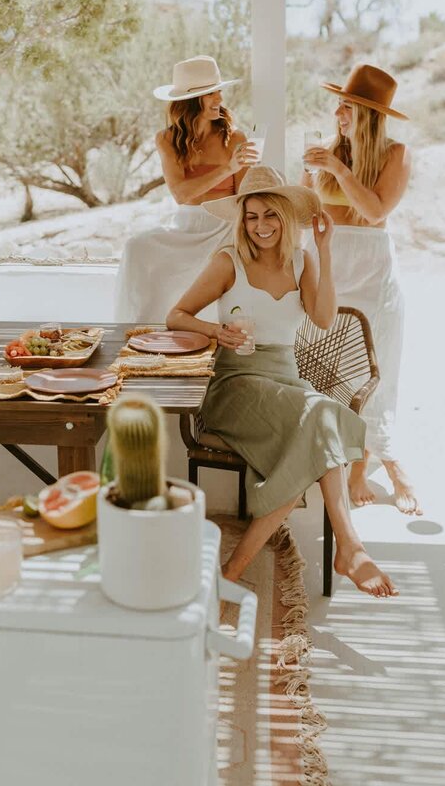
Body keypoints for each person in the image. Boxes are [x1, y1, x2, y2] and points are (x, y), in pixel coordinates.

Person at [166, 166, 398, 597]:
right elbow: (176, 316)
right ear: (242, 219)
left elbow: (325, 318)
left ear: (287, 216)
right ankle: (349, 546)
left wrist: (325, 252)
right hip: (235, 383)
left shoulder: (301, 261)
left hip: (287, 385)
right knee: (321, 421)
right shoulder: (228, 261)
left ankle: (235, 570)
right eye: (252, 217)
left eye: (270, 216)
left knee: (317, 430)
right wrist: (219, 333)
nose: (261, 226)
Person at [302, 63, 421, 516]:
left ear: (368, 114)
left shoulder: (396, 154)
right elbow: (301, 205)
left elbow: (374, 211)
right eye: (338, 105)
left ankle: (384, 462)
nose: (337, 113)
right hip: (331, 264)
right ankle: (345, 456)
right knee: (327, 365)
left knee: (376, 366)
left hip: (372, 270)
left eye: (347, 106)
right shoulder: (330, 151)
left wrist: (337, 167)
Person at [114, 55, 259, 323]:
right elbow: (181, 194)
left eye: (219, 92)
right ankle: (141, 330)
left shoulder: (235, 138)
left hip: (223, 226)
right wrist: (228, 168)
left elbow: (244, 199)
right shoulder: (167, 139)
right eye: (211, 94)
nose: (219, 100)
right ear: (192, 101)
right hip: (186, 225)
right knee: (137, 248)